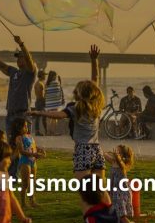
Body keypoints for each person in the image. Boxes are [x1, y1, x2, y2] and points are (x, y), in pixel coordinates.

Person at [31, 46, 105, 179]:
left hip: (83, 150)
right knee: (99, 190)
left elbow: (59, 115)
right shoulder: (96, 106)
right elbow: (95, 80)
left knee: (84, 190)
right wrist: (94, 61)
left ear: (78, 93)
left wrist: (40, 113)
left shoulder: (76, 108)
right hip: (97, 149)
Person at [0, 35, 37, 138]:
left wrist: (21, 44)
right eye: (18, 58)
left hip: (22, 115)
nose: (18, 59)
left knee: (25, 144)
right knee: (11, 145)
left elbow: (29, 61)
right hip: (10, 115)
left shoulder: (30, 73)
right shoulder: (13, 72)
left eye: (21, 57)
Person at [10, 118, 44, 208]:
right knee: (25, 183)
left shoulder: (29, 136)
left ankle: (32, 201)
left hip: (33, 161)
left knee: (32, 182)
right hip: (25, 161)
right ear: (18, 128)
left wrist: (40, 149)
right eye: (24, 126)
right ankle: (23, 203)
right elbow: (21, 151)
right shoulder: (18, 138)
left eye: (26, 125)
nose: (26, 127)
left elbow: (33, 146)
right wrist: (34, 154)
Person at [104, 144, 136, 223]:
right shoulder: (114, 162)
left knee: (122, 216)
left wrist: (115, 155)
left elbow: (115, 159)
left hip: (120, 193)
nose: (114, 153)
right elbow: (105, 155)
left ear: (122, 156)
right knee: (117, 215)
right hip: (117, 192)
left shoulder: (120, 164)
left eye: (117, 152)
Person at [44, 71, 64, 135]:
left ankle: (48, 132)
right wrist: (60, 82)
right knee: (54, 118)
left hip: (48, 103)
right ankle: (53, 132)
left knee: (49, 118)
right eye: (55, 76)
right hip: (54, 104)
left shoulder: (47, 84)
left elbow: (46, 94)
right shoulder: (56, 83)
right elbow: (60, 91)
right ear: (53, 76)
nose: (55, 77)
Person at [34, 70, 47, 136]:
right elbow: (40, 95)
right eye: (44, 75)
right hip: (40, 101)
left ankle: (39, 131)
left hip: (39, 101)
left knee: (38, 117)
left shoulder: (38, 83)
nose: (45, 76)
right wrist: (44, 101)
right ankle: (42, 131)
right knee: (41, 116)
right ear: (41, 75)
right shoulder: (39, 84)